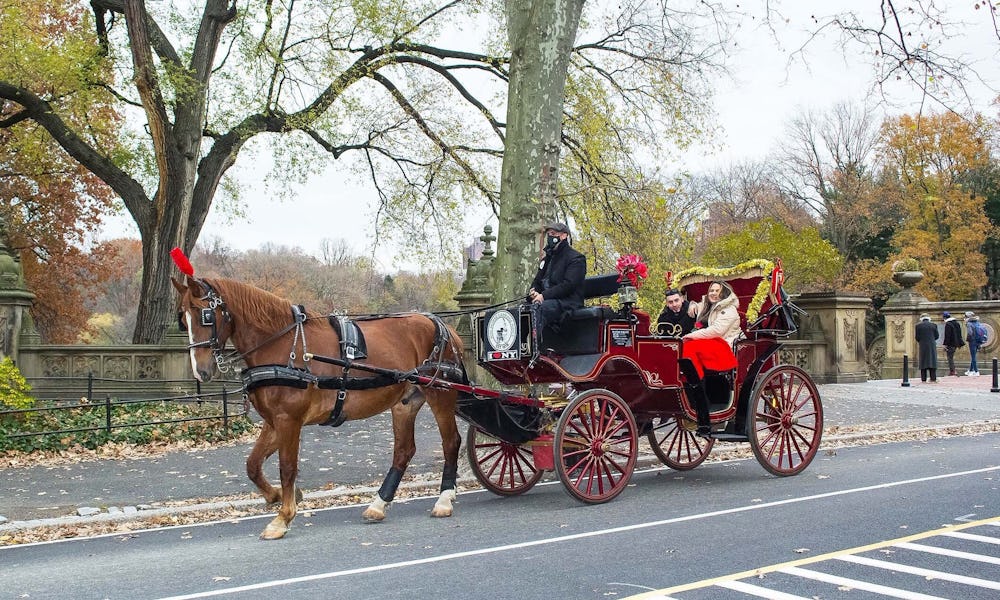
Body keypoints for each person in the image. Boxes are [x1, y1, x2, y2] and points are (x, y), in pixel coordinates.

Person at [680, 280, 741, 436]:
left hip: (724, 345)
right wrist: (692, 303)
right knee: (684, 348)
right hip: (711, 343)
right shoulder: (709, 305)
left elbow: (716, 331)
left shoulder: (729, 310)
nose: (713, 293)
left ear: (724, 293)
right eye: (711, 290)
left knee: (689, 347)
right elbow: (695, 305)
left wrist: (691, 336)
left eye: (716, 290)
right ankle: (689, 385)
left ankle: (697, 390)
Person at [527, 221, 586, 346]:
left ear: (564, 236)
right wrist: (533, 292)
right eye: (548, 234)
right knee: (521, 310)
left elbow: (568, 286)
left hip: (567, 302)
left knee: (539, 309)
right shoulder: (547, 259)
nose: (550, 237)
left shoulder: (576, 258)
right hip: (547, 300)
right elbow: (537, 281)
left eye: (553, 234)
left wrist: (543, 296)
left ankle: (535, 349)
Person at [914, 313, 938, 383]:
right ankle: (933, 378)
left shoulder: (918, 326)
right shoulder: (934, 325)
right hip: (932, 345)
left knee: (923, 361)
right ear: (929, 318)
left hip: (923, 345)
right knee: (932, 361)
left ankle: (923, 379)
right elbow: (937, 336)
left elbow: (917, 337)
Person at [942, 311, 964, 376]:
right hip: (956, 343)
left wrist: (945, 344)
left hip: (951, 344)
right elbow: (959, 334)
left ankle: (953, 371)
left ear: (944, 317)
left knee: (950, 358)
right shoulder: (956, 323)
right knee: (951, 357)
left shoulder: (948, 324)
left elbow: (947, 335)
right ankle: (953, 370)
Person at [965, 311, 984, 376]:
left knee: (973, 357)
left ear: (967, 317)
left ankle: (976, 371)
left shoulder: (969, 323)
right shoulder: (977, 322)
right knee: (974, 356)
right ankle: (970, 370)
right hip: (978, 341)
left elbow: (970, 333)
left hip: (972, 341)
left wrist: (968, 339)